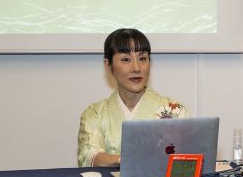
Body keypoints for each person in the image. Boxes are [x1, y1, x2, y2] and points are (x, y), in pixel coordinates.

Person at [78, 28, 188, 167]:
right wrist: (126, 160)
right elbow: (89, 156)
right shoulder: (94, 114)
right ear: (108, 65)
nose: (136, 68)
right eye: (126, 59)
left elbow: (185, 160)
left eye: (142, 58)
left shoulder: (174, 111)